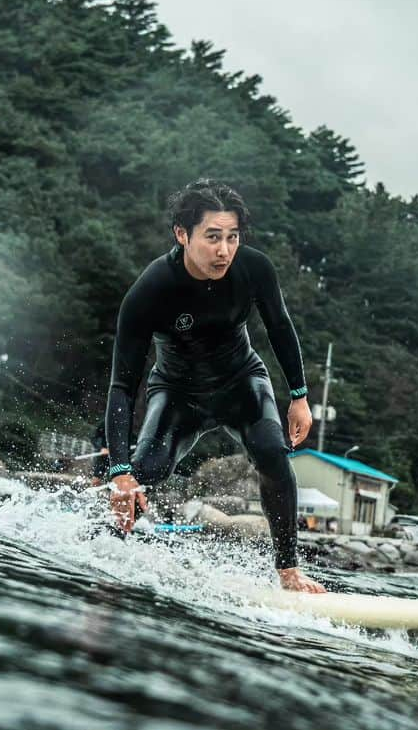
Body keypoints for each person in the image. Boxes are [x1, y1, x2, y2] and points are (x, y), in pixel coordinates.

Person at [103, 179, 324, 593]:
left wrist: (299, 396)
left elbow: (279, 327)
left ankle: (289, 571)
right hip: (177, 391)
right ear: (182, 234)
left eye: (232, 237)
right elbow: (122, 386)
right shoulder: (151, 290)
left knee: (273, 454)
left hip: (242, 384)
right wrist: (119, 470)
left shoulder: (253, 268)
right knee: (144, 469)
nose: (223, 250)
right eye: (212, 238)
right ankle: (104, 544)